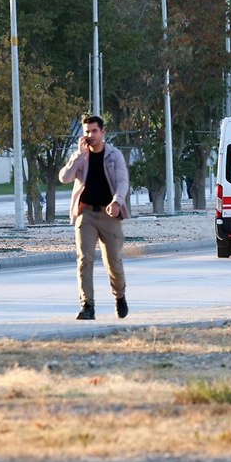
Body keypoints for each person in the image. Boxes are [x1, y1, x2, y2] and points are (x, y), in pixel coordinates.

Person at [59, 114, 131, 321]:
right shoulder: (81, 156)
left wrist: (117, 201)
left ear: (103, 132)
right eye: (87, 132)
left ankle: (119, 296)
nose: (90, 135)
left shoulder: (114, 155)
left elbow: (122, 181)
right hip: (86, 214)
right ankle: (87, 305)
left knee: (114, 262)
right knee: (84, 260)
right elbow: (64, 178)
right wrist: (78, 156)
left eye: (94, 131)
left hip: (110, 214)